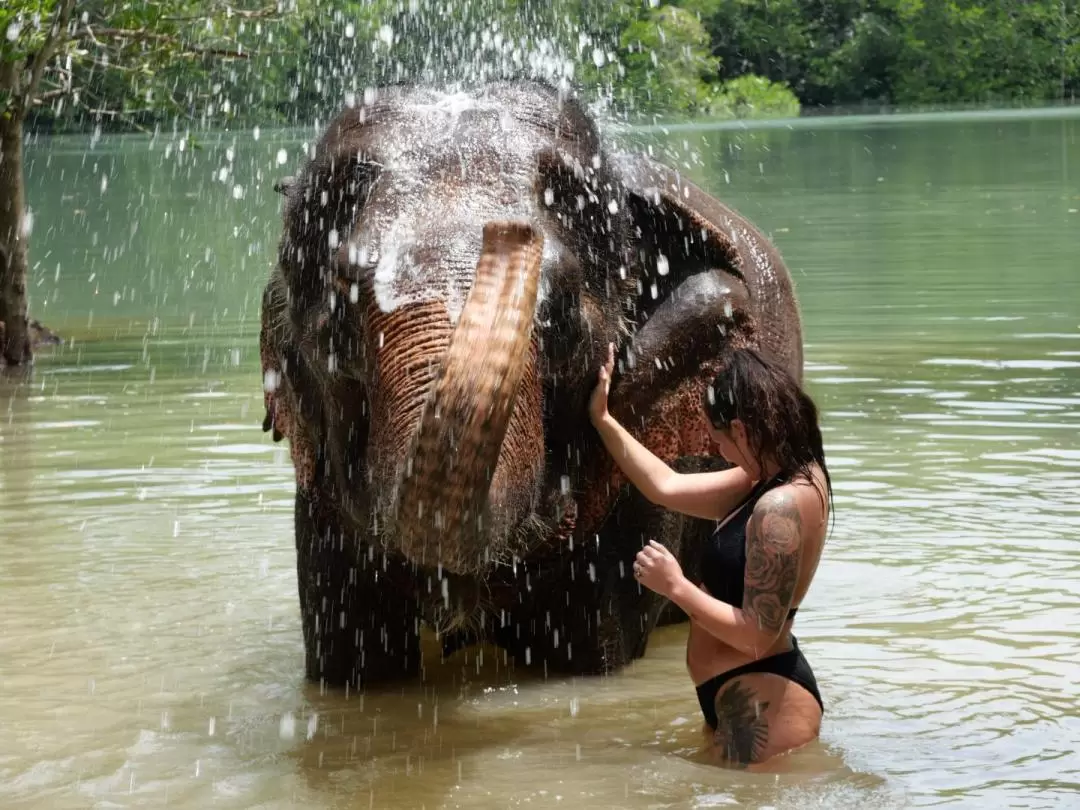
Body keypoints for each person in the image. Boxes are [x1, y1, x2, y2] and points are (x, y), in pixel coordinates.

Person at [588, 342, 832, 767]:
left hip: (765, 701)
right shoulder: (773, 474)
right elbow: (665, 487)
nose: (719, 453)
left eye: (719, 440)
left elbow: (758, 637)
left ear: (740, 429)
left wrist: (675, 586)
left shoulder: (782, 507)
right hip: (739, 697)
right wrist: (603, 419)